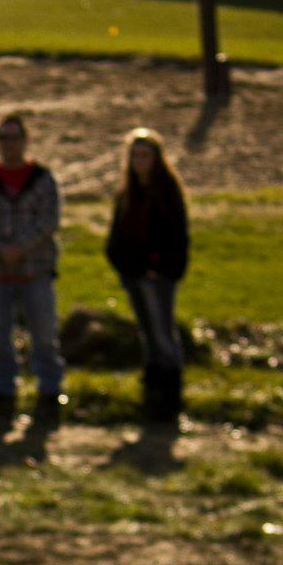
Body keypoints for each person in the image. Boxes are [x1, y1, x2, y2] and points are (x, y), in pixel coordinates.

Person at [0, 108, 64, 427]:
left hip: (35, 269)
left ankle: (49, 394)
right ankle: (3, 393)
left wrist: (22, 246)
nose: (8, 144)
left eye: (14, 137)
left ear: (26, 140)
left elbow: (49, 219)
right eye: (2, 138)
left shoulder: (42, 179)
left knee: (45, 337)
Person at [104, 128, 190, 427]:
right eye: (135, 155)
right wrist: (123, 264)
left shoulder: (167, 192)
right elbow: (117, 235)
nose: (140, 161)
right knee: (148, 335)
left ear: (157, 158)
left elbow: (175, 236)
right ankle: (152, 397)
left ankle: (170, 400)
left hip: (158, 276)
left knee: (163, 334)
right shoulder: (127, 193)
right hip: (134, 274)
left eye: (145, 155)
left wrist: (161, 267)